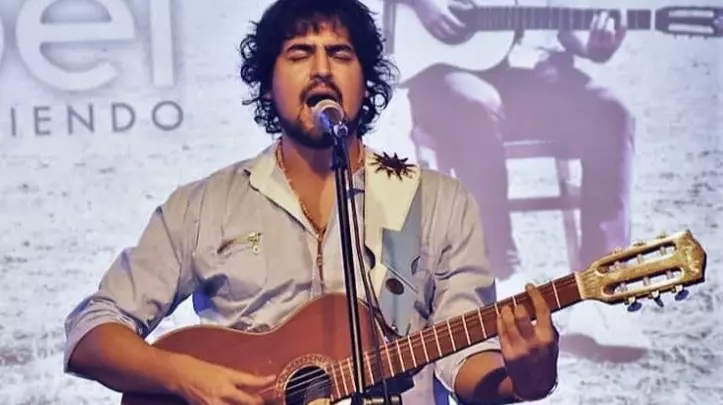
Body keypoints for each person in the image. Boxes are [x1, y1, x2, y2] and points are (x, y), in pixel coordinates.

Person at [63, 0, 561, 404]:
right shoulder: (204, 205)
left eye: (340, 54)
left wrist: (526, 380)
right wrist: (186, 377)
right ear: (267, 82)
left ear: (367, 81)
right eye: (300, 53)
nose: (322, 70)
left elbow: (463, 362)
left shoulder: (433, 201)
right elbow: (92, 333)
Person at [385, 0, 648, 359]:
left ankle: (604, 286)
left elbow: (565, 26)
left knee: (610, 113)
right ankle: (501, 280)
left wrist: (596, 46)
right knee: (476, 106)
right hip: (446, 73)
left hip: (535, 79)